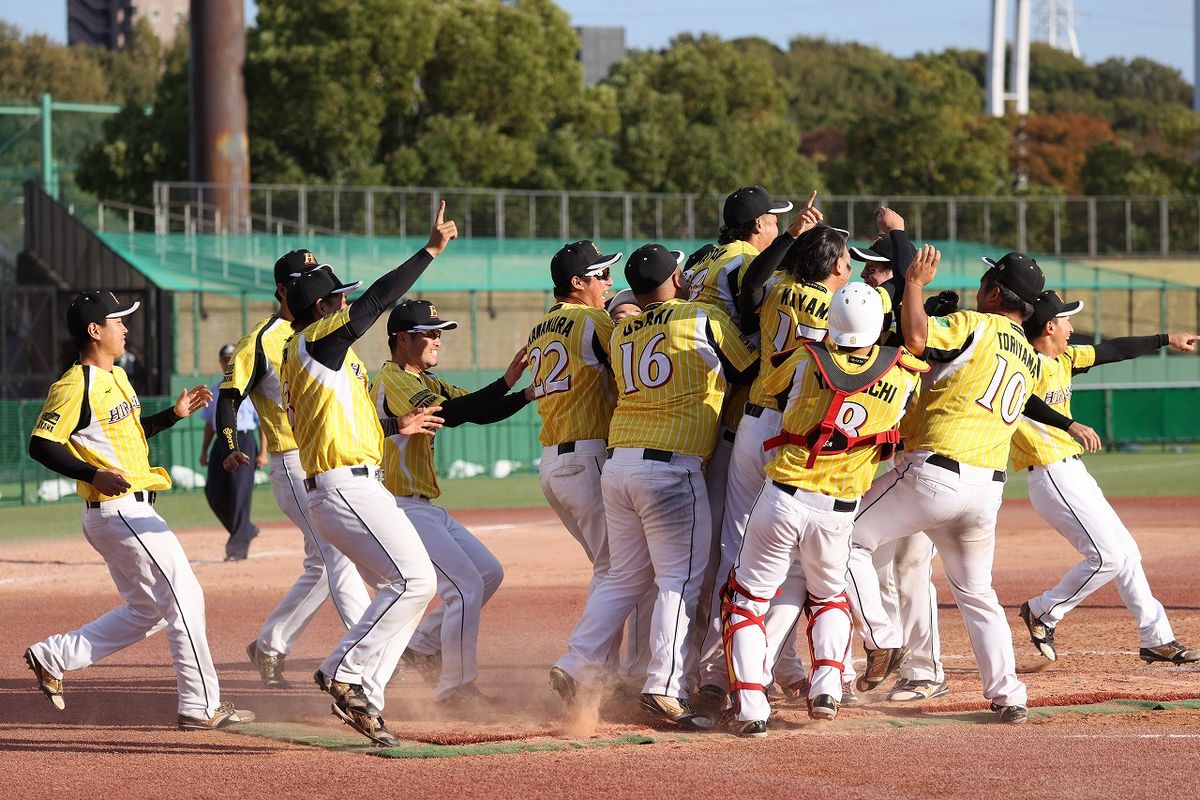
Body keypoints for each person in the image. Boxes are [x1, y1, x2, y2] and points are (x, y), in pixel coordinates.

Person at [843, 247, 1102, 725]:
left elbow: (918, 338)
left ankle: (884, 638)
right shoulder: (1027, 353)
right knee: (977, 593)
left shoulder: (975, 323)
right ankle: (1009, 694)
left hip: (934, 474)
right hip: (988, 489)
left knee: (843, 537)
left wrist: (915, 285)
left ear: (993, 292)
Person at [549, 244, 758, 730]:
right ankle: (664, 685)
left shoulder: (623, 327)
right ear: (678, 277)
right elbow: (746, 370)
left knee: (624, 575)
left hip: (618, 463)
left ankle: (576, 662)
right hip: (671, 466)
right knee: (679, 580)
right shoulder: (699, 317)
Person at [24, 291, 253, 730]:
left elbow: (129, 431)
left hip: (130, 510)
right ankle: (200, 706)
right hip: (118, 509)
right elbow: (41, 443)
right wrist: (91, 474)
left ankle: (52, 655)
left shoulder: (119, 377)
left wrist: (173, 414)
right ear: (95, 331)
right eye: (118, 321)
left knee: (148, 610)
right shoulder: (76, 384)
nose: (125, 328)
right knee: (186, 597)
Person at [280, 202, 456, 746]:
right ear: (321, 305)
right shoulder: (317, 341)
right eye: (337, 295)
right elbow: (378, 301)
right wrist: (428, 251)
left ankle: (366, 698)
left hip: (350, 484)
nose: (346, 300)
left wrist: (392, 421)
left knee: (402, 587)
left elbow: (346, 417)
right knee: (416, 580)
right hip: (344, 486)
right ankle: (344, 671)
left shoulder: (321, 356)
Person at [722, 283, 926, 735]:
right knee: (829, 595)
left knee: (747, 599)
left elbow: (768, 390)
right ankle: (827, 688)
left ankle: (752, 706)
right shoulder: (904, 371)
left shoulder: (803, 358)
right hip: (839, 509)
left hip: (784, 495)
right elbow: (913, 349)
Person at [1013, 291, 1200, 666]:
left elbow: (1114, 350)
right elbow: (1025, 400)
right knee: (1107, 557)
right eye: (1066, 320)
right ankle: (1043, 610)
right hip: (1049, 473)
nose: (1072, 327)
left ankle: (1157, 638)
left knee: (1127, 553)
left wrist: (1166, 338)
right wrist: (1069, 423)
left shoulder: (1063, 357)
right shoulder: (1025, 364)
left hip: (1073, 471)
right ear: (1049, 326)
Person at [214, 249, 372, 689]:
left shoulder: (327, 331)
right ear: (285, 289)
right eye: (306, 279)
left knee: (325, 564)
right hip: (293, 461)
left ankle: (269, 645)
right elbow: (230, 396)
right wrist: (230, 443)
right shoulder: (261, 339)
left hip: (329, 458)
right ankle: (370, 655)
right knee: (336, 556)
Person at [375, 299, 530, 707]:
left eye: (439, 332)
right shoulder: (396, 380)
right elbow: (458, 413)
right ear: (402, 339)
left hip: (422, 505)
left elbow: (477, 410)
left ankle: (423, 647)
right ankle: (455, 689)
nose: (438, 339)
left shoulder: (423, 380)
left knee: (487, 573)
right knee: (463, 587)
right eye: (430, 332)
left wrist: (527, 392)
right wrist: (508, 384)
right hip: (398, 505)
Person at [528, 243, 653, 688]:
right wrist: (634, 319)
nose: (609, 282)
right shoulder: (594, 320)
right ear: (577, 283)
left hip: (553, 462)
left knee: (612, 568)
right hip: (589, 457)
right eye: (600, 275)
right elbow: (637, 360)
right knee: (629, 570)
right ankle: (595, 668)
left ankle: (604, 671)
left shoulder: (541, 326)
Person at [201, 343, 266, 561]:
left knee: (239, 492)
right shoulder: (215, 387)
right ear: (220, 362)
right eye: (224, 358)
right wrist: (204, 451)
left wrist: (263, 451)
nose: (228, 361)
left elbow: (263, 423)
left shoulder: (249, 386)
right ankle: (245, 529)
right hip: (221, 442)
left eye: (232, 357)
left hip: (244, 439)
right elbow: (210, 423)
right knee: (213, 492)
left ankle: (238, 547)